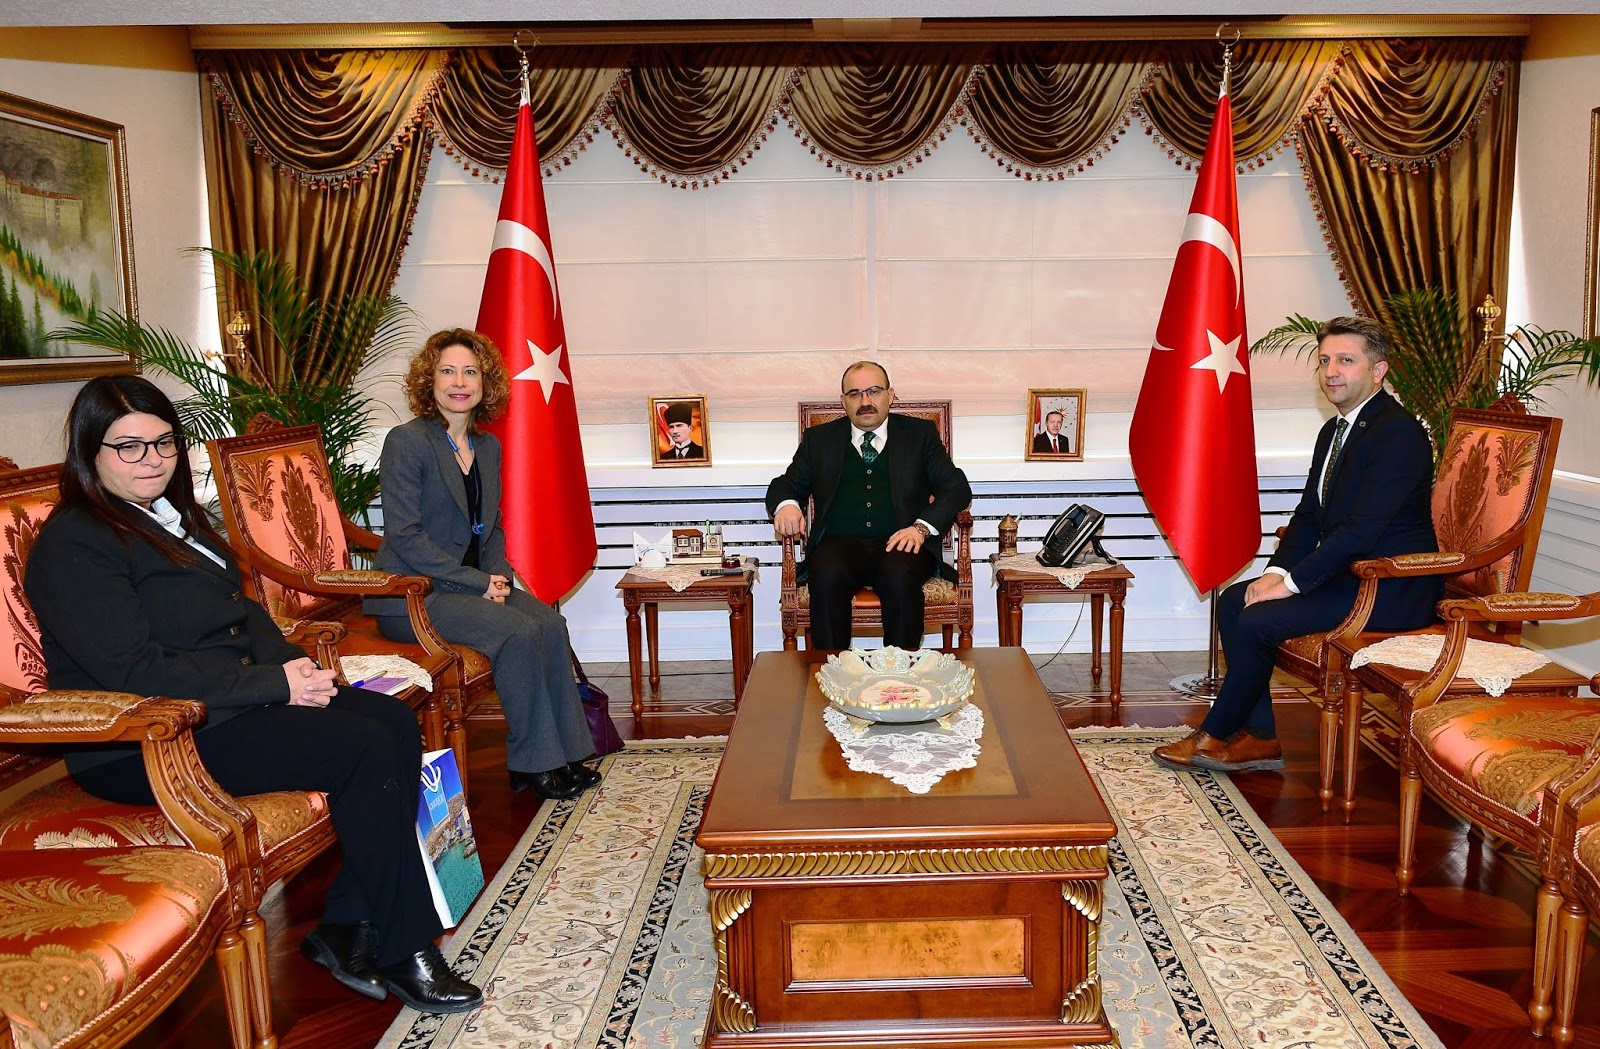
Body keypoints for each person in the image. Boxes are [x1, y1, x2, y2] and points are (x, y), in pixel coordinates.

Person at [25, 375, 483, 1014]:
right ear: (89, 452)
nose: (151, 459)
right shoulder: (76, 542)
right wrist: (274, 685)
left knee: (391, 721)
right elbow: (132, 668)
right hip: (146, 739)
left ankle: (347, 925)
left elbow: (243, 614)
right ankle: (405, 947)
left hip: (228, 704)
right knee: (361, 746)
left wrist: (297, 668)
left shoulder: (171, 519)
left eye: (164, 443)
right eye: (128, 446)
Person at [1153, 316, 1441, 773]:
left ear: (1378, 370)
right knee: (1235, 601)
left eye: (1346, 360)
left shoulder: (1398, 434)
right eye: (1324, 361)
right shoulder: (1335, 430)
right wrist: (1274, 572)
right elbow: (1309, 516)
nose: (1332, 371)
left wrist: (1291, 584)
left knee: (1257, 621)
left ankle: (1214, 731)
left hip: (1390, 585)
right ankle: (1261, 737)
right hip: (1348, 576)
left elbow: (1361, 532)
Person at [368, 328, 598, 803]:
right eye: (447, 371)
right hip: (414, 594)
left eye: (470, 372)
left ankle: (568, 753)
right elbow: (406, 536)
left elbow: (490, 526)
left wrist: (498, 579)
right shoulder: (407, 442)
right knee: (517, 631)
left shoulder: (487, 446)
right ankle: (535, 762)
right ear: (428, 380)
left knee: (550, 623)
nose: (459, 382)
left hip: (468, 586)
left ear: (484, 382)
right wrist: (478, 583)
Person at [767, 360, 972, 650]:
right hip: (839, 544)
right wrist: (787, 505)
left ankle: (901, 668)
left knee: (899, 574)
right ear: (843, 401)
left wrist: (921, 529)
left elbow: (956, 487)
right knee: (826, 571)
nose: (865, 401)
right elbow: (785, 484)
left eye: (874, 391)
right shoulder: (820, 440)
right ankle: (831, 666)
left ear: (890, 395)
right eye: (855, 394)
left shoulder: (919, 435)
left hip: (902, 544)